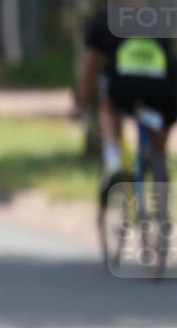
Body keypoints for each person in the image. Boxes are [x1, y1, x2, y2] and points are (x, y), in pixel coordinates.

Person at [75, 11, 176, 199]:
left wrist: (80, 103)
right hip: (163, 89)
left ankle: (113, 158)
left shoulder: (104, 21)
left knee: (107, 106)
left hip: (123, 88)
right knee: (159, 147)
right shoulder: (159, 18)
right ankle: (161, 192)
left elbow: (89, 69)